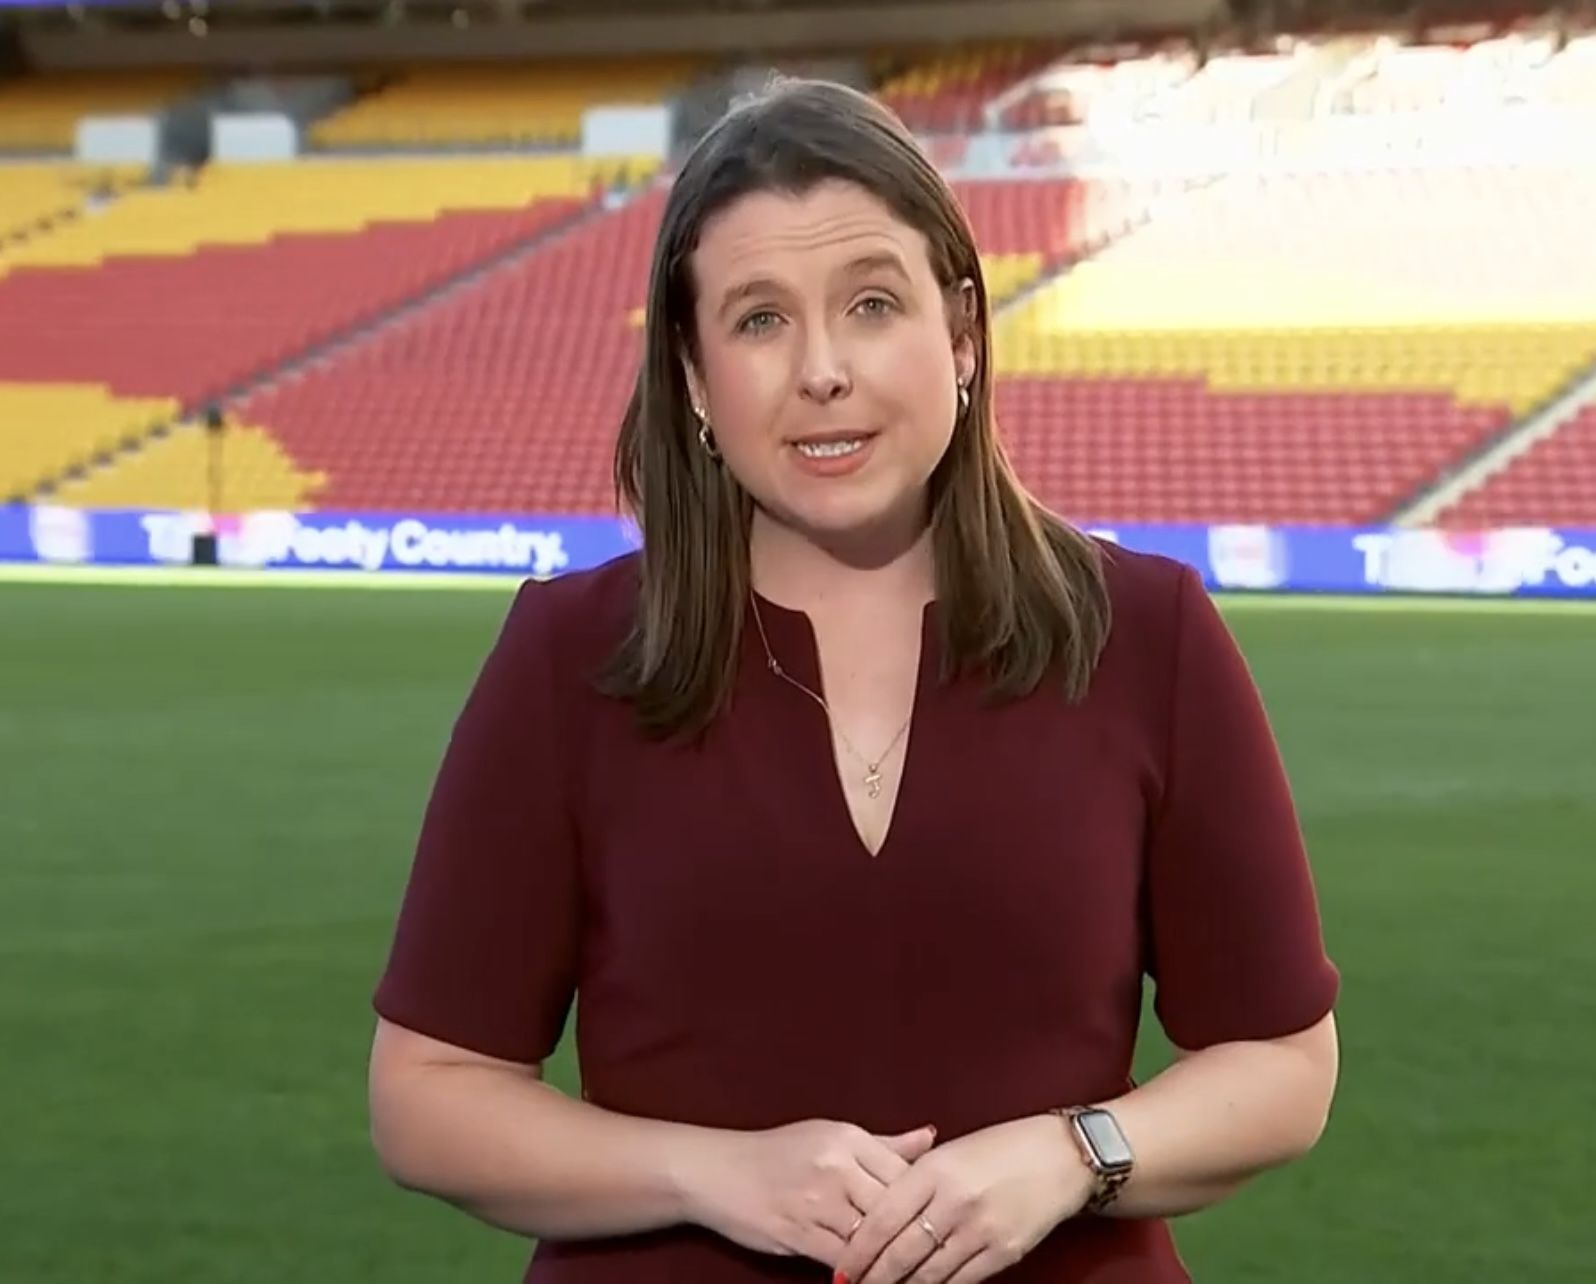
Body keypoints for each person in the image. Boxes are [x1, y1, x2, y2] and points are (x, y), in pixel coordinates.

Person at [367, 78, 1341, 1284]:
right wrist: (714, 1174)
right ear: (693, 373)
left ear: (963, 332)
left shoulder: (1145, 635)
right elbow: (429, 1093)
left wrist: (1073, 1153)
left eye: (872, 304)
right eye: (759, 321)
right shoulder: (570, 658)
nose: (821, 369)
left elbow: (1285, 1062)